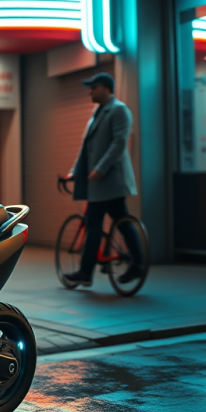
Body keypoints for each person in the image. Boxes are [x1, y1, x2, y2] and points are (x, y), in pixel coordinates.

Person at [63, 72, 144, 287]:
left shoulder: (119, 110)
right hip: (99, 184)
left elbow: (119, 143)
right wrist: (75, 171)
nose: (90, 91)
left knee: (101, 223)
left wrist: (99, 169)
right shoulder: (97, 113)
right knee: (111, 221)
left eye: (93, 87)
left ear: (106, 88)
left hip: (111, 180)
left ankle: (88, 271)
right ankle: (132, 264)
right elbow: (86, 149)